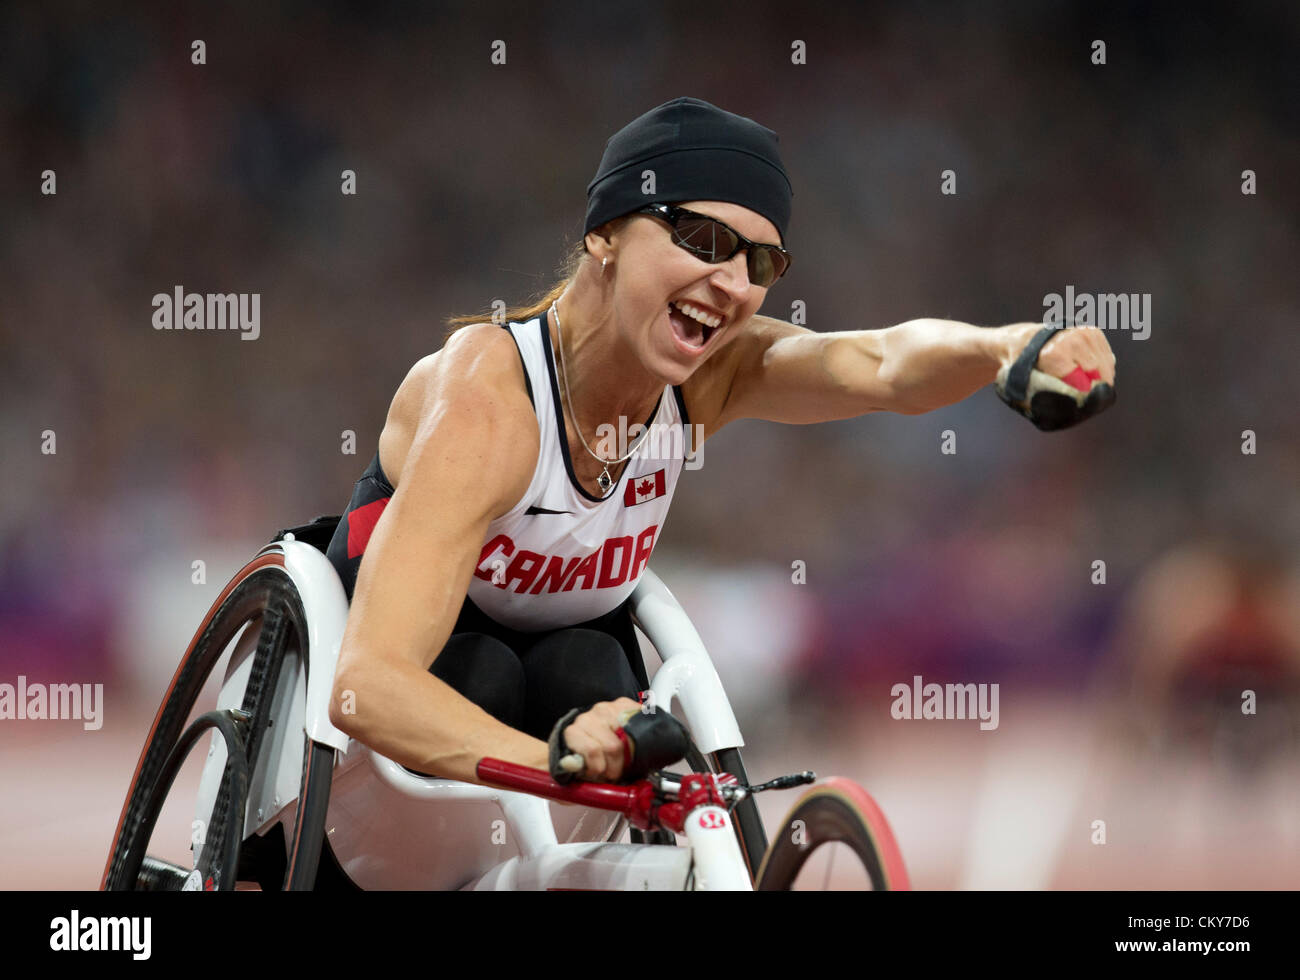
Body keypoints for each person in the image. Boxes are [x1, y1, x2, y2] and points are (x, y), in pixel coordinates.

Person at [325, 96, 1116, 786]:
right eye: (702, 240)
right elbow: (368, 683)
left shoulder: (711, 376)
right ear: (604, 234)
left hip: (563, 650)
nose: (735, 284)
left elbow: (880, 362)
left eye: (760, 260)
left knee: (595, 675)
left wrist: (1005, 345)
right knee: (489, 678)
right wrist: (553, 762)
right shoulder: (487, 404)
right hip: (424, 667)